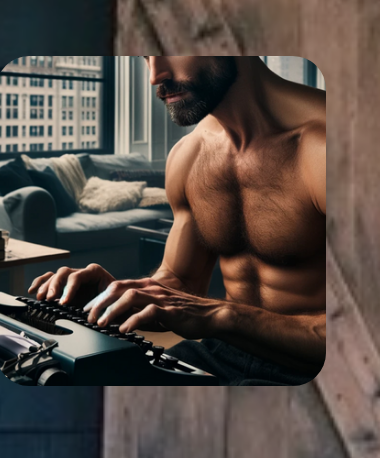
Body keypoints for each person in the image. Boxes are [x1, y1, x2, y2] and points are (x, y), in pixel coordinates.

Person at [28, 55, 327, 385]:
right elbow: (181, 282)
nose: (155, 75)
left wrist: (226, 315)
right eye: (146, 58)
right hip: (221, 352)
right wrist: (118, 296)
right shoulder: (190, 153)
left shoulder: (333, 146)